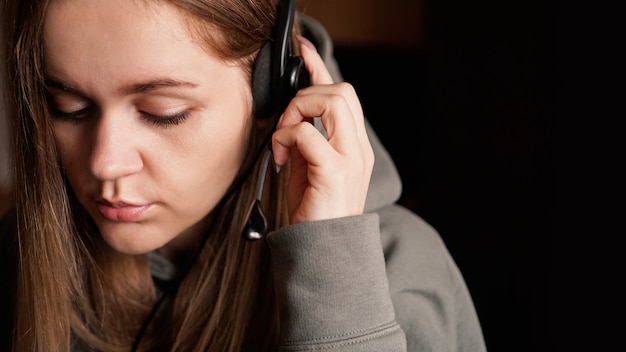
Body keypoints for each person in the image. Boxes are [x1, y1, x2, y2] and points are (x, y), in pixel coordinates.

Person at [0, 0, 487, 351]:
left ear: (275, 91)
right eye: (69, 108)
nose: (104, 163)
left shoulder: (402, 277)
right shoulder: (13, 253)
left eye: (163, 113)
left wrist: (339, 303)